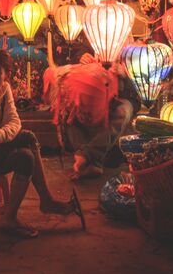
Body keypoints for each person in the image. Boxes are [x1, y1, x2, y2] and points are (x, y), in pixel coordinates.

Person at [0, 49, 81, 238]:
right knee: (26, 148)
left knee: (26, 147)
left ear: (6, 75)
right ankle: (34, 207)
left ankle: (25, 210)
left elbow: (14, 122)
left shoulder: (5, 90)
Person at [46, 50, 141, 181]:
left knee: (122, 113)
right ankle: (92, 163)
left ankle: (87, 156)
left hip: (124, 96)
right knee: (71, 109)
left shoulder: (131, 49)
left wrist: (126, 74)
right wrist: (84, 60)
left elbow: (143, 81)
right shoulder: (95, 41)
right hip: (97, 93)